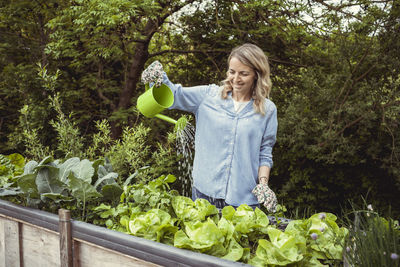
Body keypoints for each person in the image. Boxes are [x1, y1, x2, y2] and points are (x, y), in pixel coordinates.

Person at [162, 43, 278, 210]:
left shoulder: (268, 110)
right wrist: (159, 78)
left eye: (243, 74)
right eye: (232, 72)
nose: (236, 79)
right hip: (204, 194)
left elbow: (265, 151)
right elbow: (173, 95)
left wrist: (263, 184)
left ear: (256, 75)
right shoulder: (208, 96)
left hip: (244, 199)